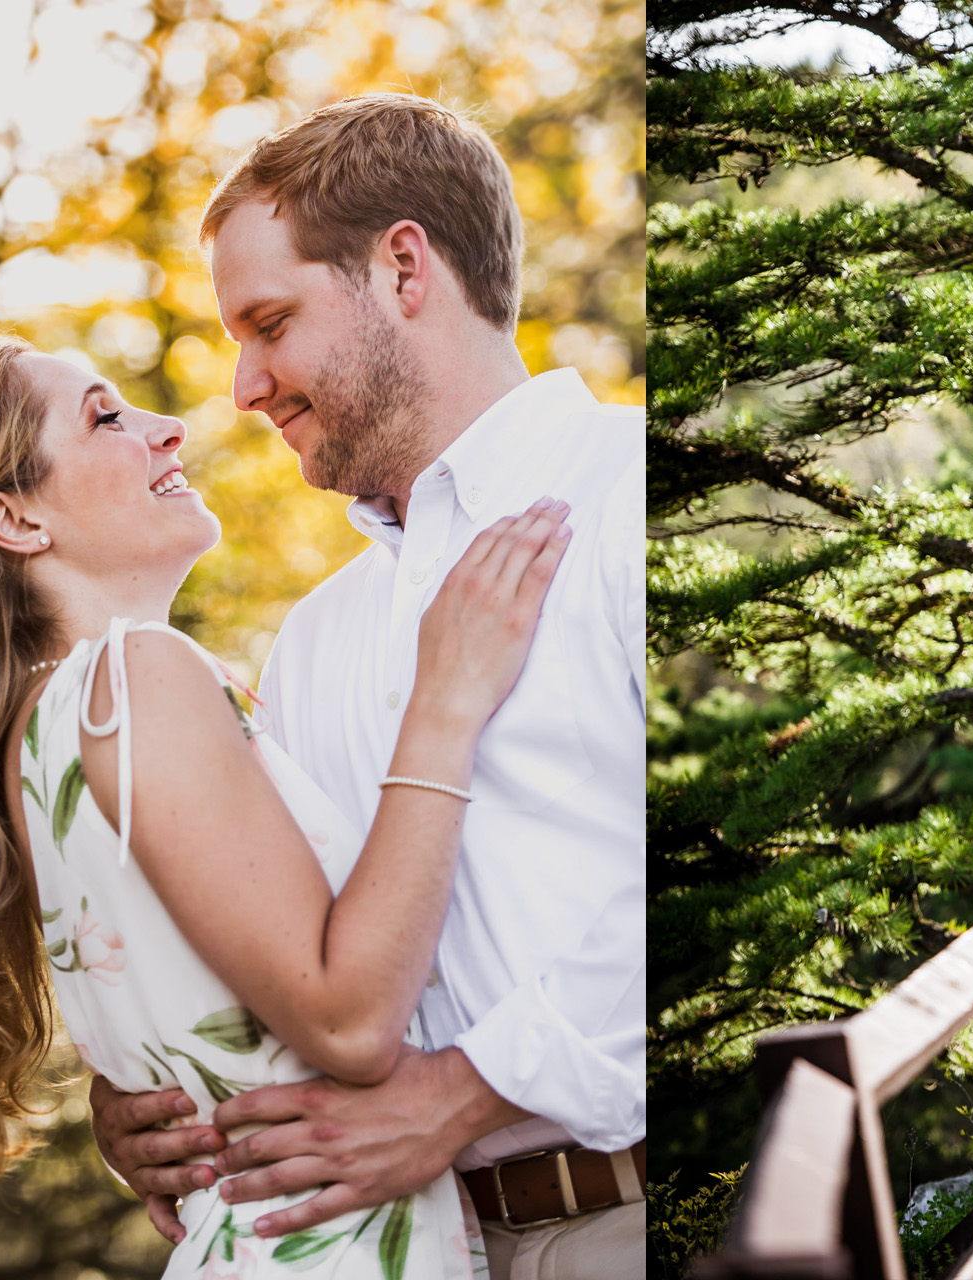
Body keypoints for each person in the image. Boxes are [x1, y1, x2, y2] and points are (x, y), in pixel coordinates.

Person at [0, 333, 572, 1277]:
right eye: (105, 417)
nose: (170, 428)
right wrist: (444, 703)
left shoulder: (37, 738)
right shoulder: (135, 679)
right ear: (12, 519)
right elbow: (347, 1021)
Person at [86, 95, 647, 1280]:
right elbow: (300, 952)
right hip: (390, 1250)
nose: (243, 385)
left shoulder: (633, 505)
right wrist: (150, 1088)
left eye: (270, 322)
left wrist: (464, 1091)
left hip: (626, 1221)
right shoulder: (314, 640)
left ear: (402, 269)